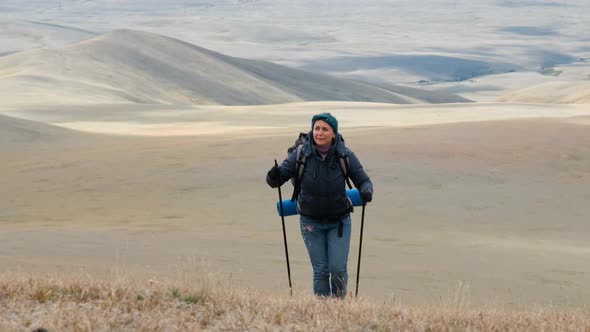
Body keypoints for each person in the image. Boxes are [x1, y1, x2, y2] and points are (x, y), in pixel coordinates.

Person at [266, 113, 373, 298]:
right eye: (316, 128)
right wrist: (273, 175)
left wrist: (366, 190)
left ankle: (339, 309)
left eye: (325, 129)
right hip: (310, 222)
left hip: (339, 221)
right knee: (321, 270)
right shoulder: (301, 154)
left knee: (338, 268)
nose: (319, 133)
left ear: (334, 133)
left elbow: (364, 180)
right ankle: (323, 311)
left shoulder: (344, 155)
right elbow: (275, 181)